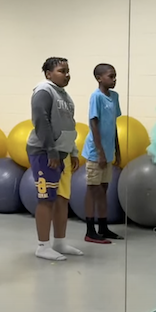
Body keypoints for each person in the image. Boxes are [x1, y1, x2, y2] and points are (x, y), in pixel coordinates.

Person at [28, 57, 83, 261]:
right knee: (46, 199)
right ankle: (43, 246)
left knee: (62, 199)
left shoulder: (65, 96)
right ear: (48, 73)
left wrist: (73, 151)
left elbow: (69, 125)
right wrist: (50, 150)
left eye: (68, 71)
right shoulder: (44, 90)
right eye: (62, 71)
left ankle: (60, 241)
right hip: (45, 153)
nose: (67, 74)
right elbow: (41, 119)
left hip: (63, 154)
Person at [82, 63, 122, 244]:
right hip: (95, 153)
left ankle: (103, 227)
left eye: (115, 76)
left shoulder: (114, 97)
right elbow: (94, 124)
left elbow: (113, 126)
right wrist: (100, 153)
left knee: (103, 190)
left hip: (108, 152)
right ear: (99, 78)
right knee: (93, 190)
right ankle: (90, 231)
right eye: (110, 76)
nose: (114, 79)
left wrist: (117, 151)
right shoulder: (96, 97)